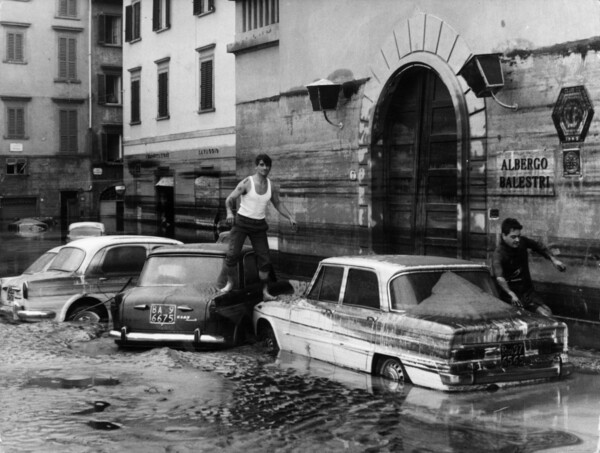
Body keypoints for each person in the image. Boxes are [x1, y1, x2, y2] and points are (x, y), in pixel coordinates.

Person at [221, 153, 297, 300]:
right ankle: (230, 283)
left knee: (265, 261)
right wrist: (229, 213)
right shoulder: (246, 183)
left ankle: (265, 291)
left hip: (259, 225)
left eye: (267, 165)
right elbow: (229, 199)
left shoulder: (271, 185)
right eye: (262, 165)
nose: (265, 168)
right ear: (256, 166)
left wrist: (290, 217)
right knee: (232, 255)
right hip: (241, 223)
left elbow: (278, 203)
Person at [492, 217, 566, 316]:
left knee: (547, 313)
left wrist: (554, 260)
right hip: (510, 296)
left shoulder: (522, 242)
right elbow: (500, 278)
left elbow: (538, 247)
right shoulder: (498, 254)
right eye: (513, 237)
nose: (517, 240)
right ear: (504, 236)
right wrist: (511, 294)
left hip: (528, 292)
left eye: (519, 236)